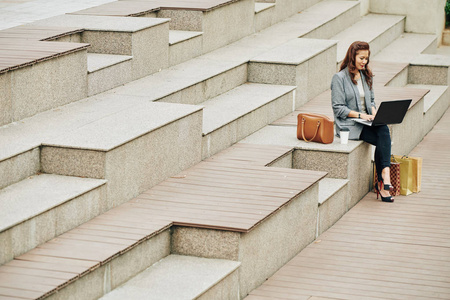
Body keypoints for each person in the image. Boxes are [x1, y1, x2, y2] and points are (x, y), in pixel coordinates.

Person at [331, 41, 394, 202]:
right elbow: (338, 108)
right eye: (361, 58)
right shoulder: (339, 78)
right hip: (350, 125)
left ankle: (384, 175)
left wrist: (375, 115)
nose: (364, 61)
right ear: (352, 57)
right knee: (383, 137)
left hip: (368, 122)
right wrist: (361, 116)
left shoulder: (366, 76)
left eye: (366, 58)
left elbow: (371, 101)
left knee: (383, 130)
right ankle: (383, 180)